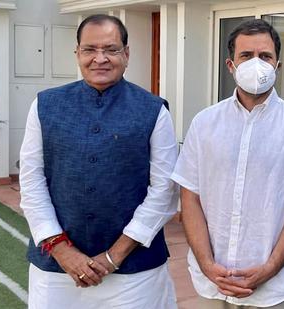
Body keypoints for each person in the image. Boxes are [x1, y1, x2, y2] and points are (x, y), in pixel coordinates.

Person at [171, 19, 284, 308]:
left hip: (278, 290)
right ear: (230, 65)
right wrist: (207, 264)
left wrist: (269, 268)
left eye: (265, 56)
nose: (256, 63)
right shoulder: (204, 123)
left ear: (278, 66)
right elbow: (190, 196)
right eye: (246, 56)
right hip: (210, 284)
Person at [19, 14, 178, 309]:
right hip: (56, 271)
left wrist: (114, 256)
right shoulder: (45, 105)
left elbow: (165, 191)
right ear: (77, 53)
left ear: (127, 54)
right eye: (90, 49)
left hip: (135, 272)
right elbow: (31, 181)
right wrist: (62, 250)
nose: (100, 59)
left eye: (111, 49)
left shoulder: (154, 110)